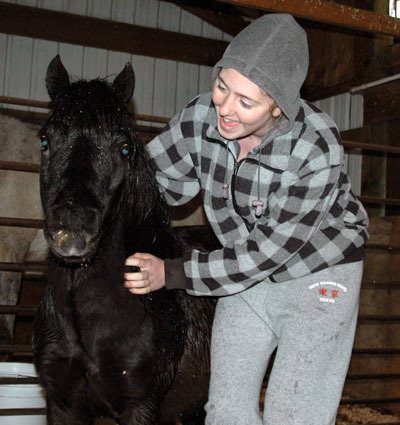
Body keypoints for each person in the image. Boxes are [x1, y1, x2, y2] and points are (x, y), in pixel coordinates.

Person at [124, 13, 369, 425]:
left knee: (293, 414)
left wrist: (172, 272)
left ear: (278, 106)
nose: (225, 108)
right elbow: (151, 180)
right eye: (222, 86)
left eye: (246, 101)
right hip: (242, 268)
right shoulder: (201, 116)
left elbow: (263, 255)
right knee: (226, 411)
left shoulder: (314, 147)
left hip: (318, 275)